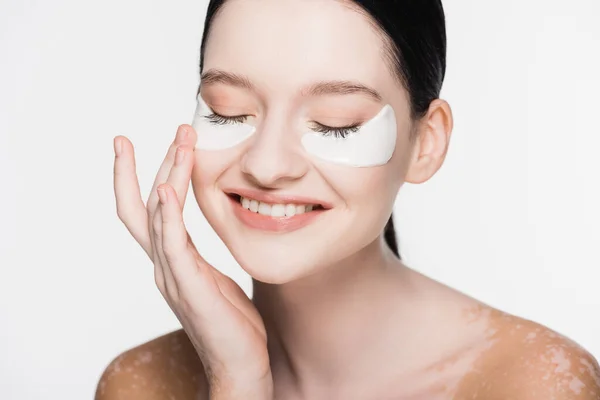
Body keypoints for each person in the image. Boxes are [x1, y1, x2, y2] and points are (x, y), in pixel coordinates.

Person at [97, 0, 600, 399]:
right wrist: (239, 382)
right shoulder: (142, 385)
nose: (267, 165)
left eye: (334, 123)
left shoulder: (532, 385)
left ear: (425, 143)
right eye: (228, 112)